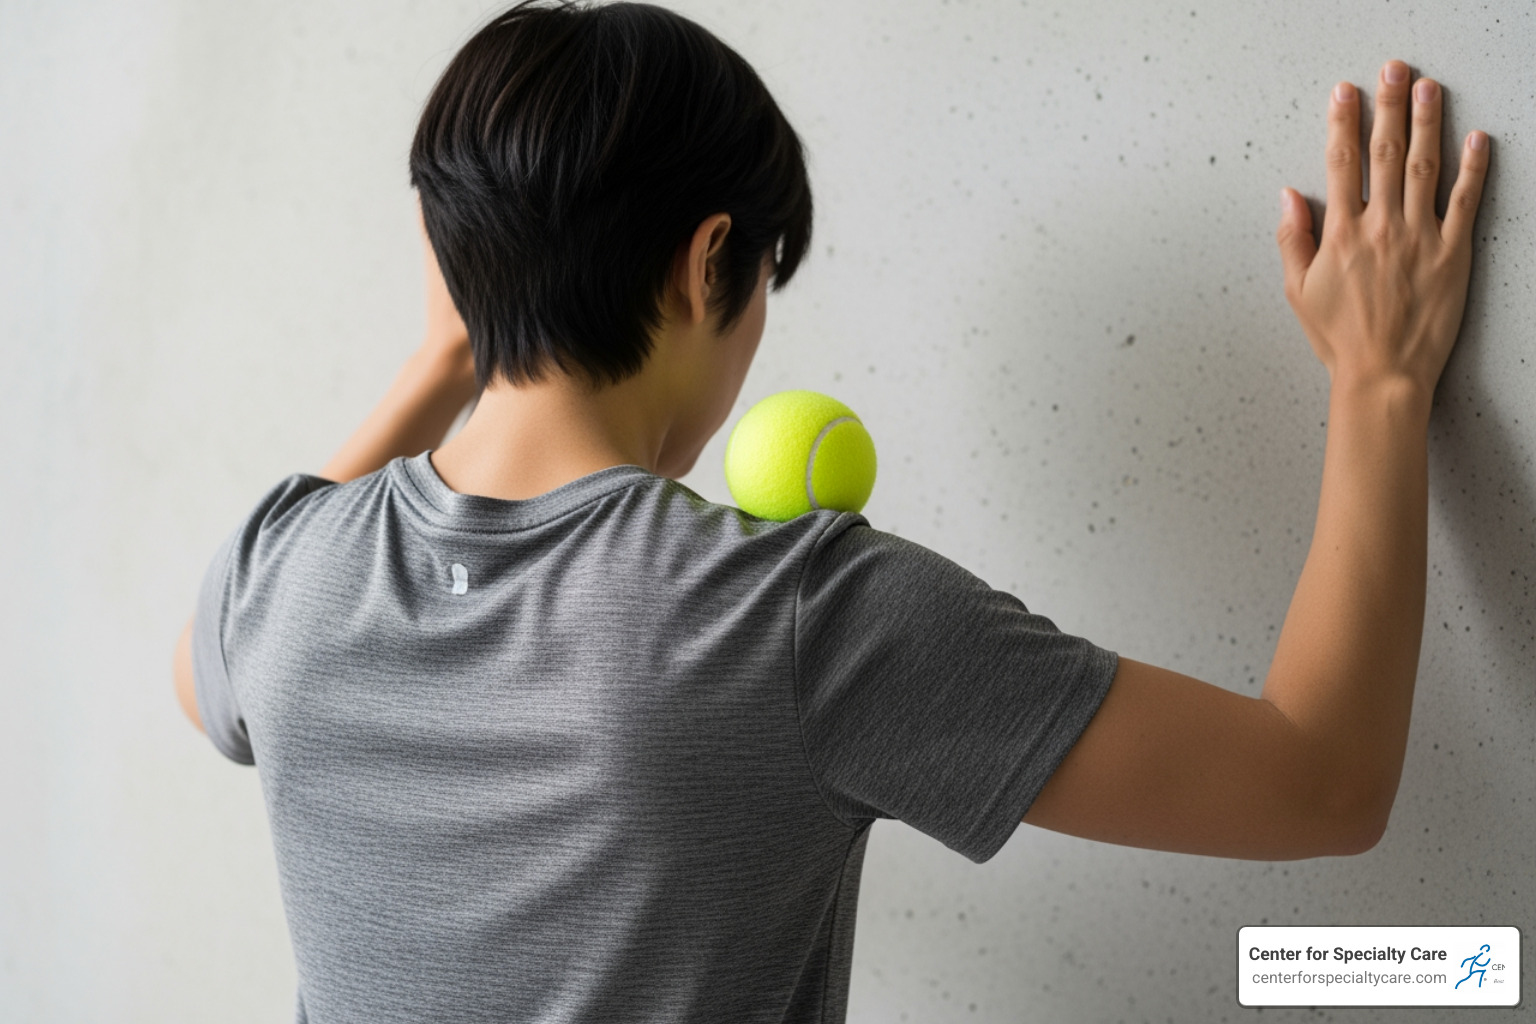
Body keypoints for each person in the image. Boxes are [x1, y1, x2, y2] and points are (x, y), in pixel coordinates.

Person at [171, 2, 1489, 1021]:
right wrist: (1378, 380)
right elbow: (1321, 785)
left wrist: (442, 363)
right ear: (708, 267)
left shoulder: (277, 580)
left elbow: (199, 678)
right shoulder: (791, 618)